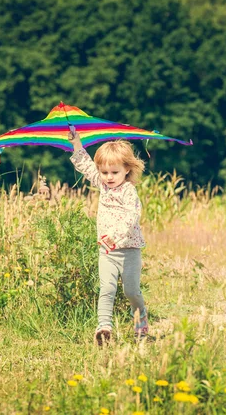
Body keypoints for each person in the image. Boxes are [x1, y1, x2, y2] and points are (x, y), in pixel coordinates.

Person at [68, 130, 149, 345]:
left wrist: (114, 235)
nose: (109, 177)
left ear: (127, 169)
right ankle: (104, 327)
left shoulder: (128, 191)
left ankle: (141, 325)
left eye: (114, 172)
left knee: (131, 291)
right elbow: (85, 165)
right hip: (107, 252)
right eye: (104, 172)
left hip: (129, 250)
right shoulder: (102, 184)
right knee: (107, 289)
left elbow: (131, 217)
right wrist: (76, 143)